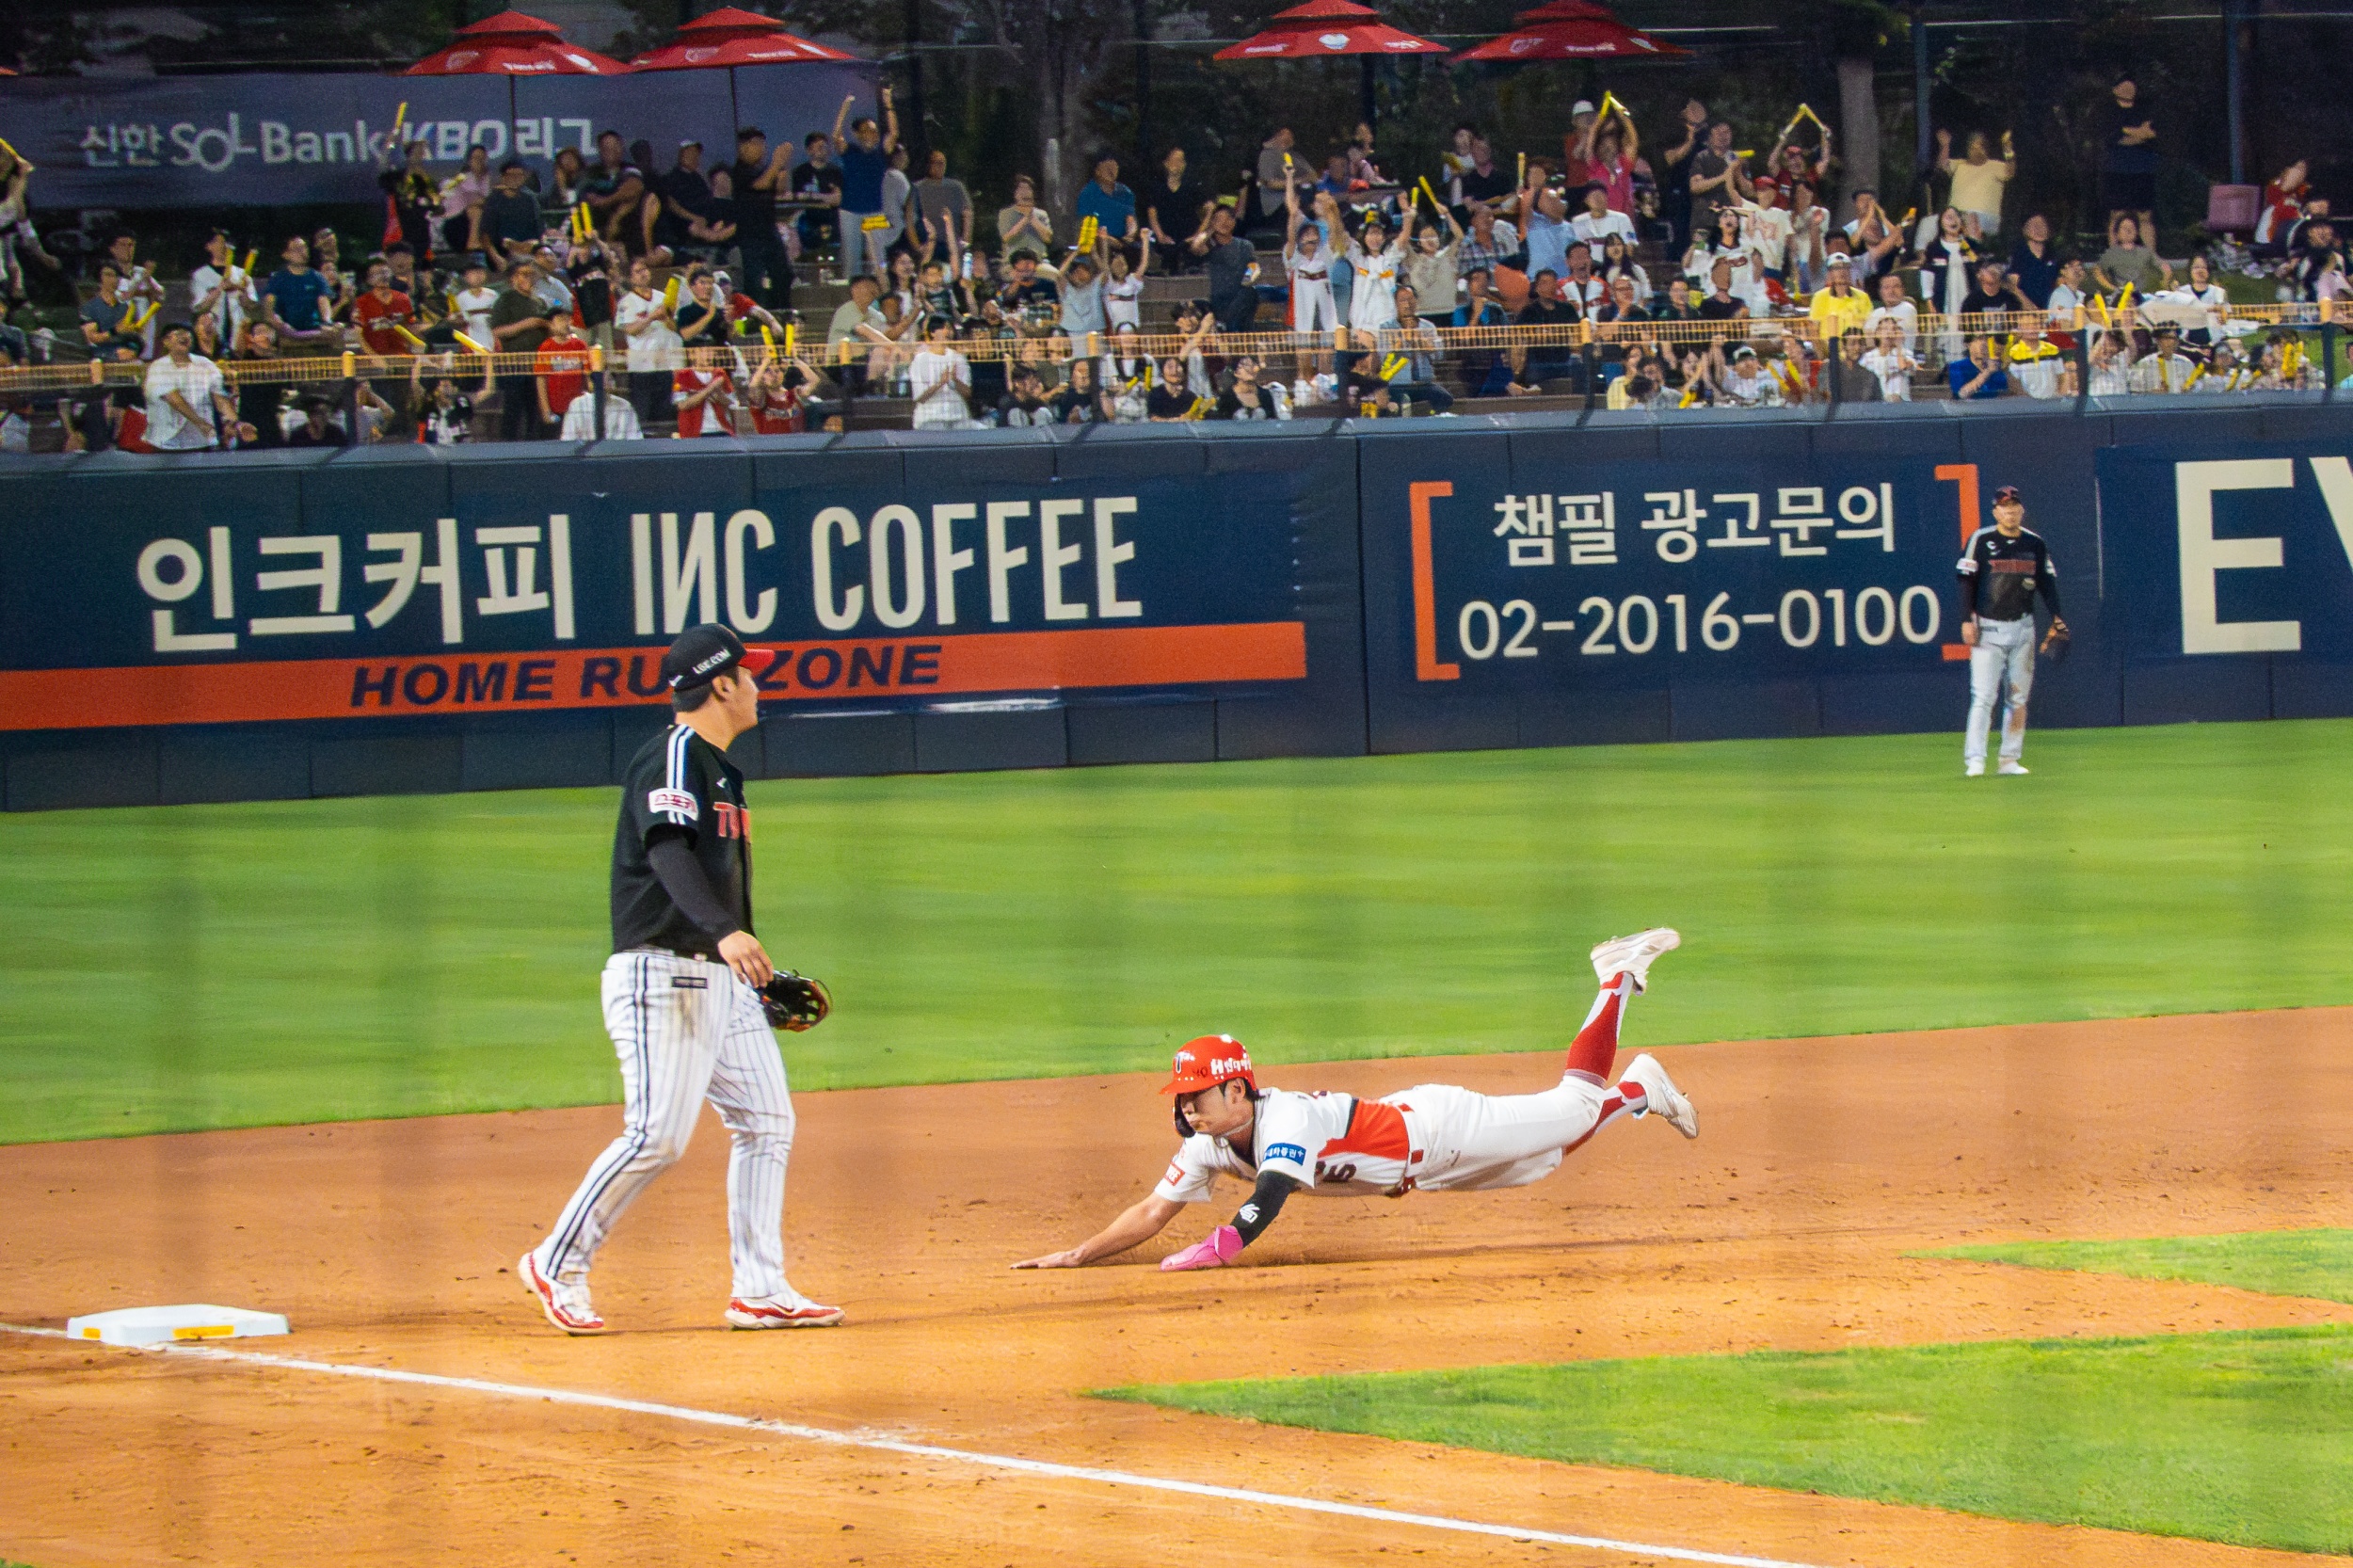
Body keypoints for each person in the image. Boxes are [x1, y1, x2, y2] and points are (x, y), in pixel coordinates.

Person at [1012, 931, 1696, 1272]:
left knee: (1574, 1107)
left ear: (1236, 1089)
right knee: (1543, 1160)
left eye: (1197, 1097)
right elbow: (1152, 1210)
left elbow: (1270, 1195)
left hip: (1443, 1128)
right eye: (1183, 1100)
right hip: (1424, 1170)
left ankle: (1615, 976)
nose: (1187, 1110)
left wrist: (1218, 1249)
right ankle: (1639, 1089)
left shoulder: (1285, 1118)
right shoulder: (1209, 1144)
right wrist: (1078, 1255)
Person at [521, 626, 840, 1334]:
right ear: (721, 684)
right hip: (661, 974)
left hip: (716, 980)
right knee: (656, 1136)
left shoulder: (722, 769)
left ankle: (759, 1288)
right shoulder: (674, 753)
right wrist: (724, 931)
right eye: (749, 675)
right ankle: (556, 1261)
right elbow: (666, 848)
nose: (757, 685)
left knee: (767, 1120)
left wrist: (744, 967)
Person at [1957, 487, 2064, 776]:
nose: (2010, 511)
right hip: (1988, 629)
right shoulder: (1981, 540)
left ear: (2022, 510)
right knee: (1983, 697)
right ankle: (1975, 760)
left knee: (2017, 698)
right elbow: (1966, 581)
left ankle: (2009, 760)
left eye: (2014, 505)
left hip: (2022, 628)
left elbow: (2047, 583)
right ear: (1996, 512)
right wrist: (1966, 619)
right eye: (2004, 506)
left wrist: (2057, 618)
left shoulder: (2034, 543)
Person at [142, 322, 244, 450]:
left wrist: (236, 423)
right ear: (166, 341)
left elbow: (220, 399)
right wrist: (201, 424)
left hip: (201, 441)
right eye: (178, 334)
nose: (184, 337)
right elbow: (174, 399)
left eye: (188, 334)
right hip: (167, 442)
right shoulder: (158, 367)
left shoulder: (206, 364)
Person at [831, 89, 900, 277]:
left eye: (874, 130)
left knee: (878, 257)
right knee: (852, 258)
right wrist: (846, 106)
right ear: (857, 134)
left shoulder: (880, 153)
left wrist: (888, 104)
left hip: (875, 210)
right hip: (850, 211)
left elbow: (894, 133)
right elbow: (836, 135)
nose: (871, 134)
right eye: (866, 131)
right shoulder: (850, 152)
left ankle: (880, 288)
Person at [489, 260, 552, 440]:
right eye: (524, 274)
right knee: (513, 409)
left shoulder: (540, 302)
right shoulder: (506, 300)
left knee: (535, 409)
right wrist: (526, 324)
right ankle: (509, 445)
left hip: (538, 364)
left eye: (531, 274)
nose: (529, 278)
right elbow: (497, 331)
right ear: (514, 278)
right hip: (514, 364)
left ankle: (535, 443)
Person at [2099, 76, 2158, 242]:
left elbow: (2151, 134)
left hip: (2143, 170)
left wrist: (2125, 131)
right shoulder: (2108, 113)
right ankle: (2115, 254)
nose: (2128, 90)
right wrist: (2138, 133)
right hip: (2116, 170)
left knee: (2145, 216)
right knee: (2117, 214)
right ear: (2115, 89)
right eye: (2123, 86)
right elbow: (2113, 138)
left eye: (2131, 87)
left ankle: (2151, 255)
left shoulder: (2145, 111)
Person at [1189, 205, 1260, 334]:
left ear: (1234, 221)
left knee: (1251, 293)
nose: (1224, 223)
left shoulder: (1245, 245)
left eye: (1228, 218)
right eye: (1219, 219)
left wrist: (1246, 282)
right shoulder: (1210, 245)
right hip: (1220, 299)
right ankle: (1226, 326)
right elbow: (1196, 247)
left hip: (1242, 295)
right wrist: (1210, 228)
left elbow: (1254, 267)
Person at [261, 235, 338, 351]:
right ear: (286, 255)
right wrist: (280, 324)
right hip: (287, 331)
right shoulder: (278, 279)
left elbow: (324, 302)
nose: (302, 252)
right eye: (297, 249)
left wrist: (327, 322)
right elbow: (269, 308)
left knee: (337, 331)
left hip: (316, 330)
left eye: (304, 248)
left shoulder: (317, 277)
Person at [1937, 129, 2015, 236]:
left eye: (1980, 147)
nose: (1976, 151)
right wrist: (1945, 145)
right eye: (1973, 148)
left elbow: (2010, 172)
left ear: (1986, 150)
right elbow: (1942, 165)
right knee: (1930, 223)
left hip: (1984, 217)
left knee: (1969, 222)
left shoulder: (1995, 165)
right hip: (1957, 216)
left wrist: (2008, 151)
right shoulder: (1960, 164)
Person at [908, 313, 972, 428]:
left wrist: (955, 380)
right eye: (943, 328)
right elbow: (919, 397)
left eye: (949, 328)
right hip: (931, 418)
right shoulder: (920, 360)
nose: (948, 332)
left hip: (958, 416)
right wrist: (940, 383)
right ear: (932, 332)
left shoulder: (959, 358)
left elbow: (968, 393)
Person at [1146, 148, 1205, 262]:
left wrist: (1197, 235)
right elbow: (1152, 214)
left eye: (1180, 160)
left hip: (1189, 239)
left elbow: (1208, 210)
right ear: (1166, 163)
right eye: (1174, 160)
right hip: (1165, 239)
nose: (1177, 164)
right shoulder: (1157, 188)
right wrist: (1161, 236)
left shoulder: (1192, 188)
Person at [79, 264, 146, 360]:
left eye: (116, 276)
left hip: (127, 352)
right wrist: (114, 331)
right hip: (102, 354)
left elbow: (136, 337)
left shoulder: (126, 307)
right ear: (100, 278)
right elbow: (92, 339)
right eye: (108, 275)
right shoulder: (89, 308)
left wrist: (135, 331)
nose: (113, 280)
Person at [1808, 254, 1872, 341]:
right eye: (1837, 268)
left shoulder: (1862, 296)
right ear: (1830, 273)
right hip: (1829, 345)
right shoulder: (1819, 297)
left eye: (1845, 267)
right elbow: (1814, 329)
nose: (1842, 271)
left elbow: (1869, 326)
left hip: (1856, 345)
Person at [2007, 214, 2062, 310]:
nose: (2039, 229)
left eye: (2042, 226)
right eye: (2034, 226)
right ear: (2025, 230)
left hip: (2048, 310)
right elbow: (2012, 285)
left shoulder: (2053, 255)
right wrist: (2027, 304)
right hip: (2023, 310)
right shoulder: (2019, 254)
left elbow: (2058, 283)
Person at [998, 175, 1054, 264]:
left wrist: (1032, 218)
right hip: (1014, 261)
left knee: (1052, 272)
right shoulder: (1006, 213)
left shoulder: (1042, 214)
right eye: (1021, 189)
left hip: (1039, 261)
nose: (1025, 192)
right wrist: (1025, 219)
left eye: (1028, 189)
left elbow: (1048, 239)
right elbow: (1006, 237)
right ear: (1015, 194)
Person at [1861, 316, 1917, 401]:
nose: (1888, 332)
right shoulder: (1868, 357)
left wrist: (1899, 347)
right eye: (1885, 329)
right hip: (1876, 403)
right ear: (1877, 333)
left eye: (1893, 329)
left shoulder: (1906, 354)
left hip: (1901, 403)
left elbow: (1904, 367)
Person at [1947, 333, 2009, 399]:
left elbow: (2006, 394)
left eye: (1986, 339)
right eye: (1978, 339)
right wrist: (1987, 372)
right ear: (1967, 344)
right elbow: (1961, 395)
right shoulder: (1957, 367)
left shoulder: (1997, 368)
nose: (1983, 344)